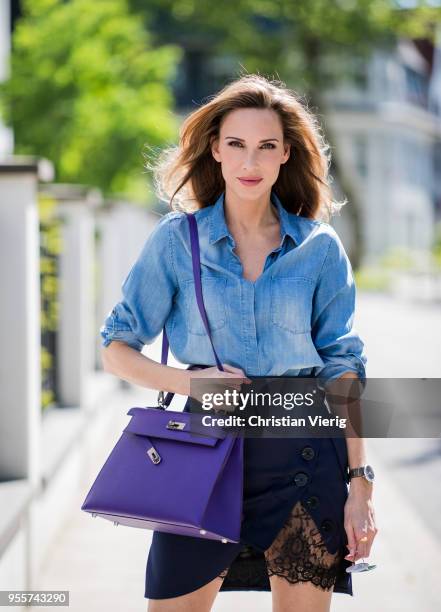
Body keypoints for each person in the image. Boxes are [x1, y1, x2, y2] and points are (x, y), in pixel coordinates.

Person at [100, 74, 377, 612]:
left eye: (266, 147)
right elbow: (116, 347)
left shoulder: (318, 248)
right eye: (237, 145)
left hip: (303, 455)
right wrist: (190, 382)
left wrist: (361, 483)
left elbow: (344, 369)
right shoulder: (176, 242)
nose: (251, 162)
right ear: (216, 150)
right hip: (204, 455)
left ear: (285, 155)